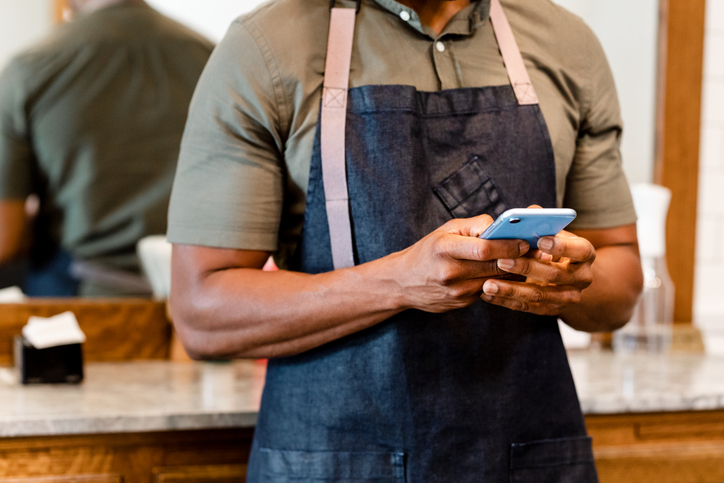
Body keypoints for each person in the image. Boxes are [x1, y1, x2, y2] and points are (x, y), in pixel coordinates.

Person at [168, 0, 644, 480]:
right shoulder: (265, 49)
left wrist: (568, 278)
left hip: (528, 460)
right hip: (337, 463)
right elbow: (202, 313)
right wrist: (399, 283)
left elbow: (620, 284)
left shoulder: (567, 45)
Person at [0, 0, 213, 297]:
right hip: (196, 292)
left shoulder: (30, 68)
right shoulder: (211, 56)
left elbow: (4, 237)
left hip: (84, 298)